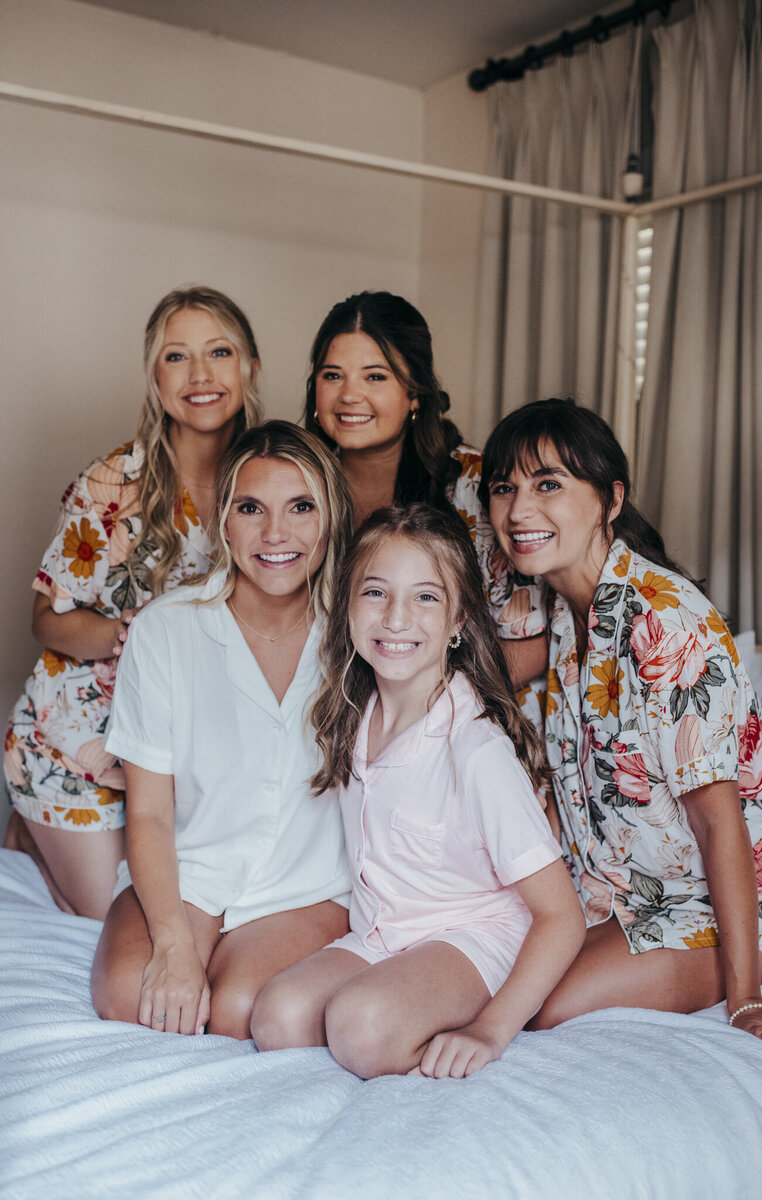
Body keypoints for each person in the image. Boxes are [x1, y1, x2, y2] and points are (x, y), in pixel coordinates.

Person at [480, 397, 762, 1041]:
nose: (520, 511)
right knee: (497, 966)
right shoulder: (557, 610)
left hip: (749, 894)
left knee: (550, 1006)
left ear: (611, 499)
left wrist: (745, 999)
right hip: (623, 887)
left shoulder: (667, 621)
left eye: (549, 485)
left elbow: (718, 820)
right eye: (504, 488)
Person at [250, 504, 585, 1077]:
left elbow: (562, 916)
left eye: (425, 598)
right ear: (348, 610)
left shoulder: (476, 751)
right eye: (375, 593)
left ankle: (427, 1013)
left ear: (458, 621)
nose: (396, 618)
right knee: (276, 1018)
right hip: (384, 932)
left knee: (361, 1025)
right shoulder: (353, 717)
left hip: (474, 937)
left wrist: (491, 1028)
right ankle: (404, 1006)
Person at [4, 286, 263, 919]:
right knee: (122, 915)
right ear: (155, 376)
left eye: (219, 352)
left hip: (187, 752)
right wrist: (128, 637)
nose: (200, 376)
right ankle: (32, 834)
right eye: (177, 357)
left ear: (249, 366)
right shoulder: (114, 482)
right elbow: (46, 618)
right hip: (78, 740)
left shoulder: (271, 478)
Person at [91, 421, 352, 1040]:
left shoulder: (361, 633)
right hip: (192, 869)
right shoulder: (164, 631)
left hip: (308, 882)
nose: (275, 533)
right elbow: (150, 813)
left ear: (330, 518)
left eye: (301, 507)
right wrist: (176, 947)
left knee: (238, 1010)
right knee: (132, 994)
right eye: (251, 507)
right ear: (222, 520)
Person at [304, 289, 547, 696]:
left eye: (375, 376)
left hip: (461, 716)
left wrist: (424, 704)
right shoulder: (301, 487)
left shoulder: (479, 486)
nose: (349, 394)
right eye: (333, 375)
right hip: (329, 714)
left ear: (414, 392)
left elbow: (533, 641)